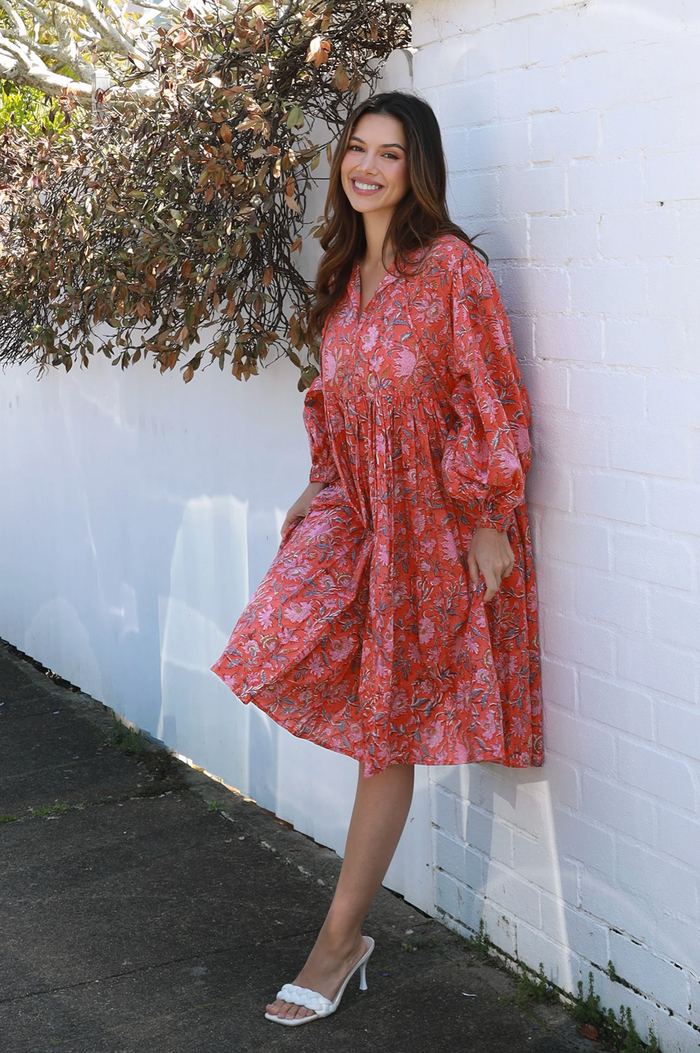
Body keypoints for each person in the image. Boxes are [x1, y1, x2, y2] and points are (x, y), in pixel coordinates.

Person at [212, 91, 542, 1026]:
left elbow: (493, 395)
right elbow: (335, 398)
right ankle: (343, 935)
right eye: (356, 150)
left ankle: (335, 944)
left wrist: (488, 516)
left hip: (432, 530)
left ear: (418, 170)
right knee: (270, 637)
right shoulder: (345, 273)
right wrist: (320, 482)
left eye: (388, 155)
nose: (366, 167)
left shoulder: (451, 272)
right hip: (356, 510)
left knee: (384, 733)